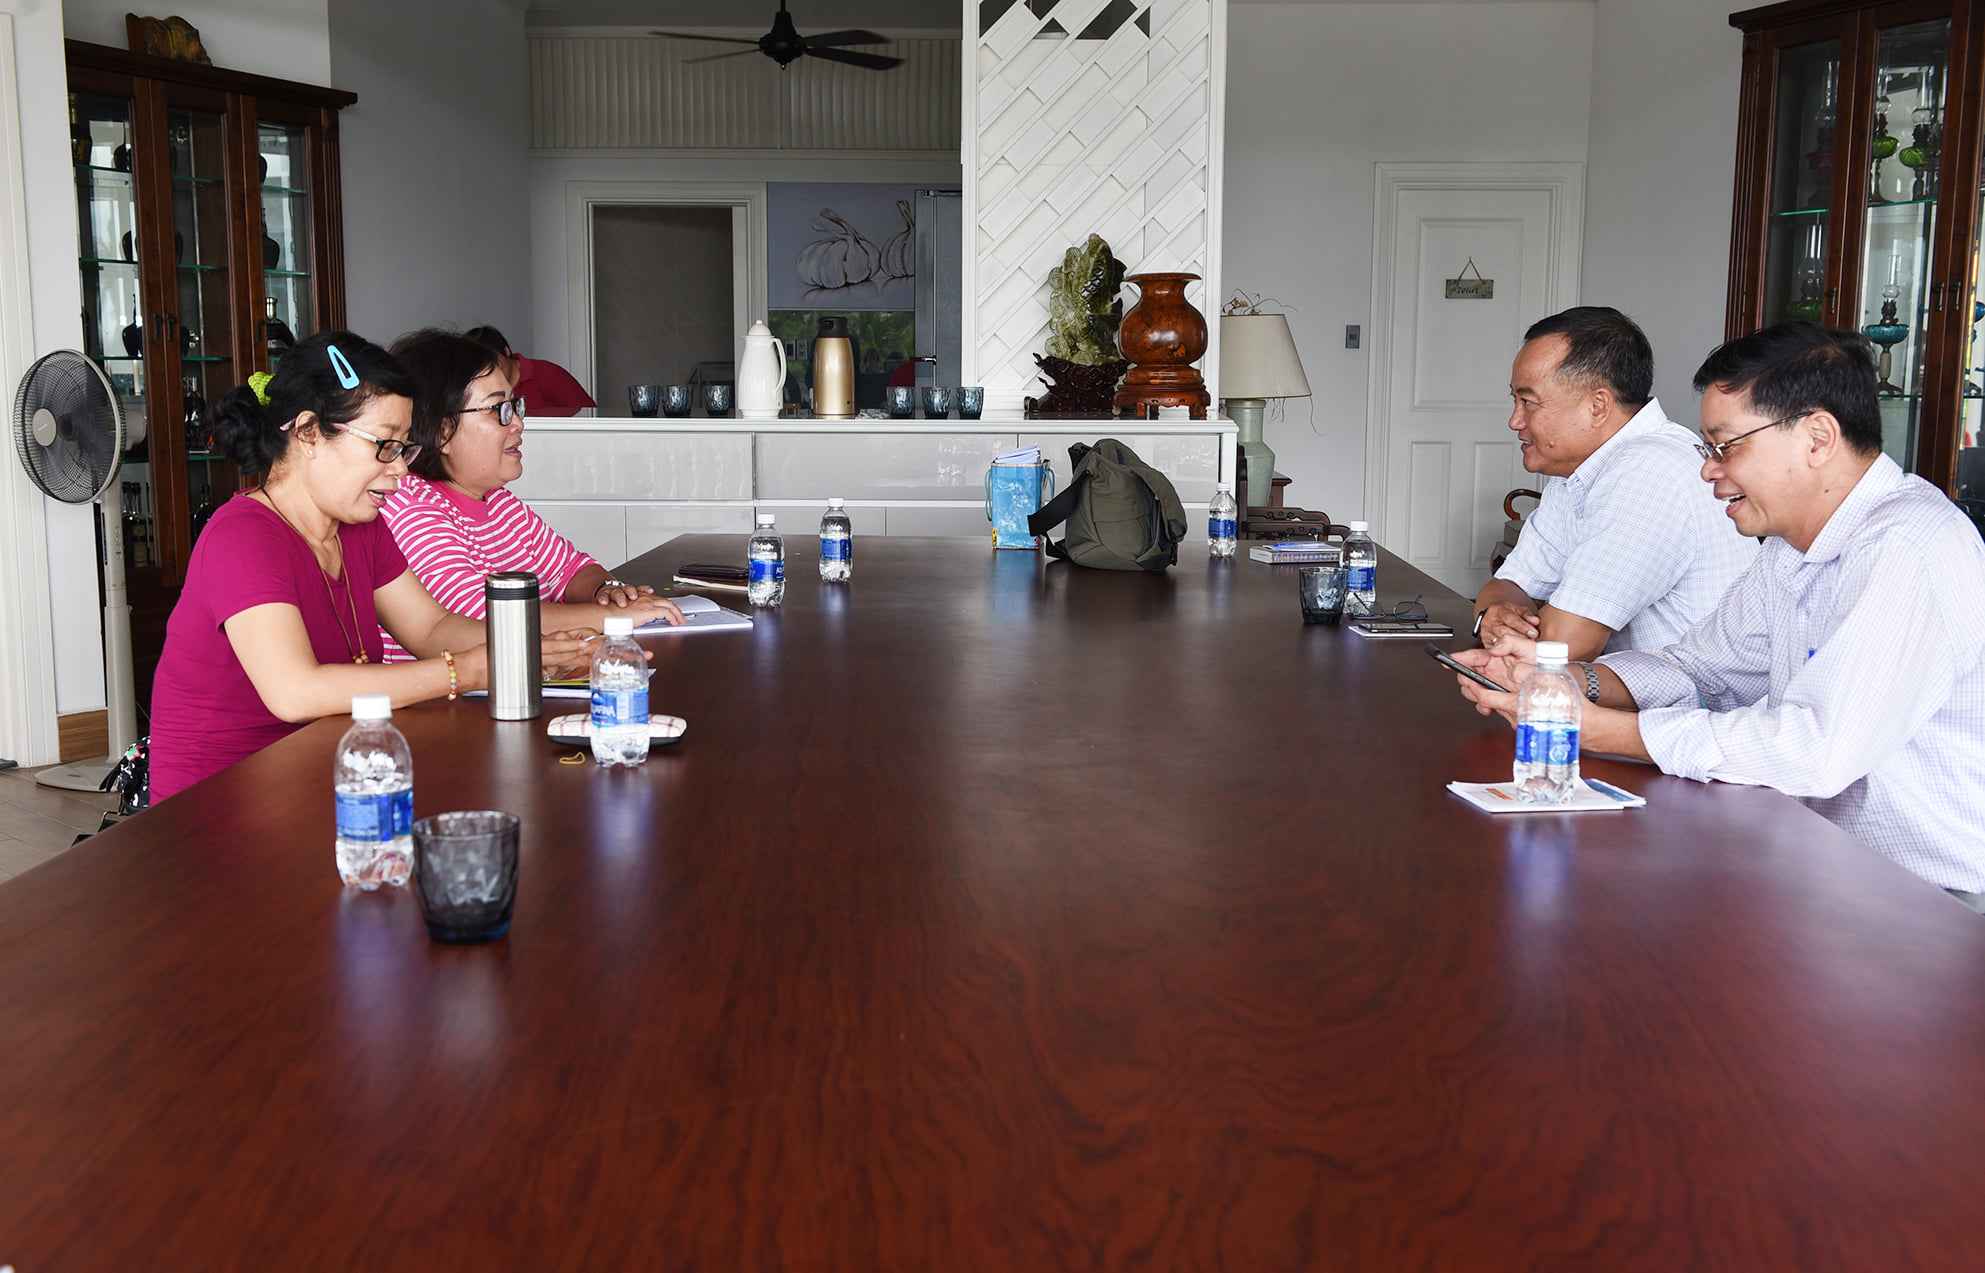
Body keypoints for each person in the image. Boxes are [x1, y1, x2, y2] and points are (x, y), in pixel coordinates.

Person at [1453, 322, 1985, 908]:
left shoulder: (1907, 547)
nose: (1708, 470)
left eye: (1726, 447)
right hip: (1814, 865)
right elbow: (1700, 670)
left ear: (1818, 438)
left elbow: (1815, 748)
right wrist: (1563, 683)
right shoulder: (1790, 549)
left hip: (1930, 903)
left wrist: (1599, 729)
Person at [148, 332, 600, 801]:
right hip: (223, 805)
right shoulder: (241, 536)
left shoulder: (358, 528)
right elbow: (295, 692)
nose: (401, 469)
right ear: (308, 433)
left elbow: (430, 628)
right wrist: (467, 672)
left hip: (325, 778)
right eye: (384, 446)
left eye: (404, 449)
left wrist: (528, 649)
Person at [379, 329, 681, 660]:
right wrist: (611, 617)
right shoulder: (409, 505)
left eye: (514, 406)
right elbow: (481, 617)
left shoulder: (499, 502)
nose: (518, 424)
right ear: (442, 431)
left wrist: (609, 592)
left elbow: (571, 569)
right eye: (498, 409)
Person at [1473, 307, 1755, 659]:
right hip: (1621, 687)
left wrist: (1511, 630)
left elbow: (1564, 647)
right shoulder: (1580, 468)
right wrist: (1496, 616)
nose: (1515, 420)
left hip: (1690, 693)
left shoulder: (1648, 470)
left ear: (1597, 405)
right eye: (1515, 400)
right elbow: (1508, 584)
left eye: (1528, 402)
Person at [462, 324, 596, 417]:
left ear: (506, 351)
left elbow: (589, 416)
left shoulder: (546, 373)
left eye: (495, 363)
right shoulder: (477, 387)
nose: (491, 372)